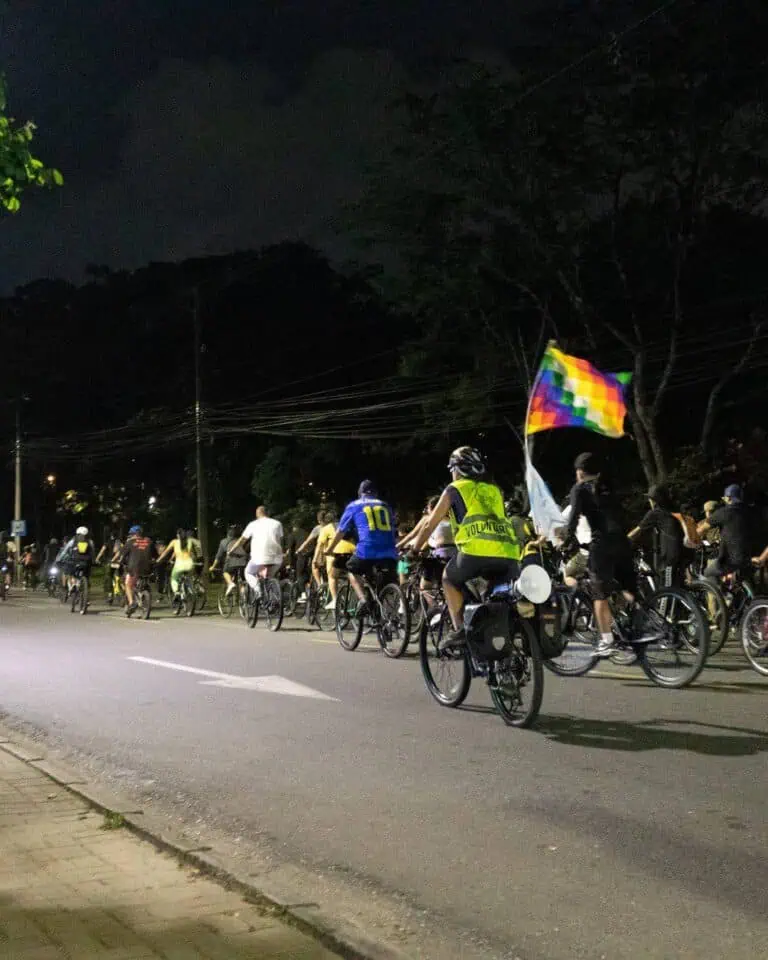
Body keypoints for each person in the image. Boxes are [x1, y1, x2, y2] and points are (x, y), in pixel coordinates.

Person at [410, 448, 521, 648]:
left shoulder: (454, 488)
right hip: (509, 553)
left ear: (457, 469)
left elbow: (429, 524)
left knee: (448, 578)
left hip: (474, 552)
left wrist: (414, 550)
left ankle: (460, 630)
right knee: (496, 598)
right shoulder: (494, 489)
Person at [557, 453, 641, 657]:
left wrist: (566, 543)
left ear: (579, 472)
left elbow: (574, 519)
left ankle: (607, 641)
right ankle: (634, 624)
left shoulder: (580, 489)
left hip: (602, 544)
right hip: (622, 541)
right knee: (627, 589)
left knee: (599, 594)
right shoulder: (609, 485)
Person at [326, 480, 398, 614]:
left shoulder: (354, 506)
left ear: (360, 493)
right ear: (375, 493)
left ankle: (363, 600)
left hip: (367, 549)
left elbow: (341, 530)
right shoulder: (386, 505)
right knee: (384, 583)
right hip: (389, 550)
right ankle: (387, 613)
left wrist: (330, 549)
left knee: (352, 569)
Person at [627, 484, 684, 587]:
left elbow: (636, 532)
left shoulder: (655, 513)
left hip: (671, 556)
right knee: (678, 584)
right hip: (685, 552)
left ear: (654, 500)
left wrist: (622, 541)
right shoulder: (674, 509)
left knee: (667, 588)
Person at [699, 484, 755, 586]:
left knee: (708, 573)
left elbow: (700, 531)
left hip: (730, 559)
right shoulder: (749, 512)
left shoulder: (723, 513)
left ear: (728, 498)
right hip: (752, 556)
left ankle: (719, 598)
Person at [228, 506, 284, 595]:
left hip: (259, 558)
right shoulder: (277, 523)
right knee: (269, 577)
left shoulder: (253, 524)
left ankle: (258, 591)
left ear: (257, 514)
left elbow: (242, 540)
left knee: (248, 572)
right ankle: (274, 597)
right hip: (277, 558)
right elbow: (280, 540)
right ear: (267, 513)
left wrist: (231, 550)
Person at [313, 511, 355, 610]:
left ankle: (335, 600)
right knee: (352, 574)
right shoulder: (347, 526)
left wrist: (315, 559)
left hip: (338, 553)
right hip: (354, 552)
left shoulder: (326, 528)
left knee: (332, 576)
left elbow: (319, 545)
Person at [157, 529, 200, 601]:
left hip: (179, 565)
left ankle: (177, 593)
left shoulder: (174, 542)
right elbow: (195, 551)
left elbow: (166, 552)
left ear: (177, 535)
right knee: (189, 578)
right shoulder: (189, 541)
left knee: (173, 578)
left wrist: (158, 560)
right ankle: (191, 591)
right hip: (190, 564)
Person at [122, 525, 156, 612]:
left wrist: (120, 562)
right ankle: (144, 595)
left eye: (131, 534)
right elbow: (155, 555)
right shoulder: (149, 541)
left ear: (134, 534)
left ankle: (131, 602)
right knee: (142, 580)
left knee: (128, 585)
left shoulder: (130, 542)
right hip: (148, 568)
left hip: (134, 568)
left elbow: (123, 556)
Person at [210, 525, 248, 596]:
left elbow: (218, 556)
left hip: (231, 562)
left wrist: (213, 566)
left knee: (225, 572)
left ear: (227, 533)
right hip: (243, 562)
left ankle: (230, 584)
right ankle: (244, 599)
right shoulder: (240, 541)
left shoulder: (223, 542)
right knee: (241, 581)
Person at [56, 526, 96, 592]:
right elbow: (93, 552)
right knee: (87, 576)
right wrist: (94, 561)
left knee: (68, 572)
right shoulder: (90, 541)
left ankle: (72, 585)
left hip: (74, 560)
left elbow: (65, 550)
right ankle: (86, 591)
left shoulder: (73, 540)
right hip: (86, 561)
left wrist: (59, 559)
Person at [296, 512, 325, 595]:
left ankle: (320, 585)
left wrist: (299, 550)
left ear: (319, 520)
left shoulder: (318, 528)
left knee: (314, 566)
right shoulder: (334, 526)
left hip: (322, 552)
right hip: (335, 551)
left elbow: (308, 541)